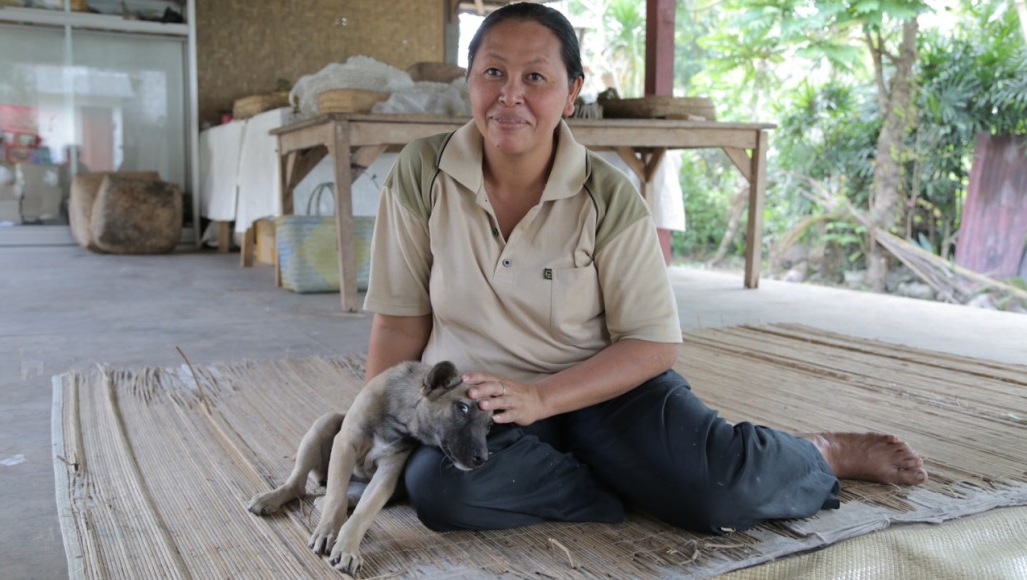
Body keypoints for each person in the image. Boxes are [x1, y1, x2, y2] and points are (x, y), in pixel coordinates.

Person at [362, 3, 927, 534]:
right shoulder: (423, 172)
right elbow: (399, 323)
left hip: (602, 391)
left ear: (571, 93)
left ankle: (817, 452)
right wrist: (370, 431)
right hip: (477, 401)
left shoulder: (610, 195)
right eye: (493, 73)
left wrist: (542, 399)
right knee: (441, 493)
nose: (510, 95)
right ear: (470, 83)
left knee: (720, 491)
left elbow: (653, 344)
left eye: (535, 77)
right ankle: (612, 486)